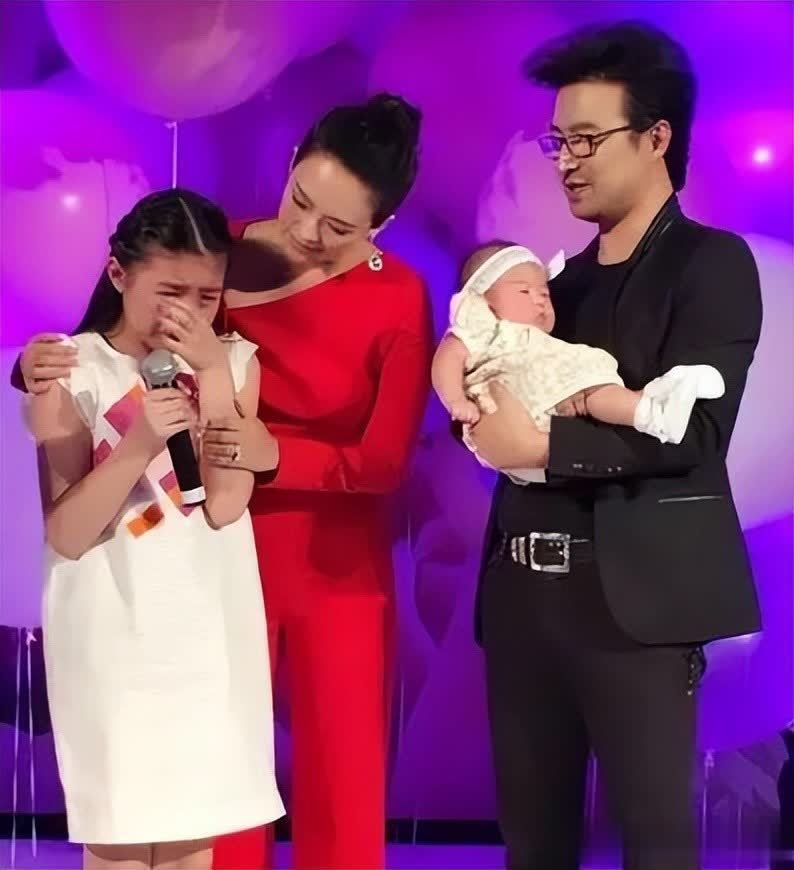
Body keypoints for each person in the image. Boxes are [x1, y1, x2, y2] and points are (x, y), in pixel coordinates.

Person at [18, 93, 432, 870]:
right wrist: (29, 367)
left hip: (332, 560)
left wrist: (274, 454)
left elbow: (384, 460)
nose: (307, 232)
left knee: (342, 781)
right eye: (300, 200)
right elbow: (114, 338)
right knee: (221, 783)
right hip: (209, 546)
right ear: (291, 165)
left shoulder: (398, 294)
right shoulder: (217, 248)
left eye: (339, 228)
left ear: (381, 225)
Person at [466, 23, 762, 870]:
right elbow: (488, 381)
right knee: (533, 845)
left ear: (657, 137)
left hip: (637, 607)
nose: (566, 161)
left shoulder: (711, 265)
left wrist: (546, 444)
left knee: (656, 843)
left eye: (587, 140)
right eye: (557, 142)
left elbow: (697, 433)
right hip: (522, 598)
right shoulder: (550, 289)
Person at [23, 189, 283, 870]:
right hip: (113, 630)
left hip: (206, 631)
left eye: (206, 296)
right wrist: (138, 443)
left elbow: (225, 505)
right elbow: (68, 532)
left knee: (193, 838)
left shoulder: (236, 363)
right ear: (119, 273)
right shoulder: (71, 368)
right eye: (170, 292)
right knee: (121, 834)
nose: (188, 313)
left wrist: (214, 374)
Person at [432, 240, 725, 486]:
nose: (540, 300)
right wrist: (456, 400)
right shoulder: (480, 330)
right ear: (480, 301)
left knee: (592, 389)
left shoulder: (543, 344)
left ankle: (650, 410)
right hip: (506, 407)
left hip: (553, 402)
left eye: (544, 293)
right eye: (524, 291)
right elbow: (446, 361)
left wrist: (537, 445)